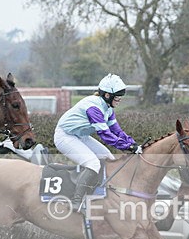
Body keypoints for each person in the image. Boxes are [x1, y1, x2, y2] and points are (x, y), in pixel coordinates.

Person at [53, 73, 140, 210]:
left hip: (80, 136)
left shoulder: (108, 108)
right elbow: (106, 135)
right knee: (93, 163)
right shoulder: (94, 108)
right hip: (65, 136)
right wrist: (128, 147)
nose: (120, 99)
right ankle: (77, 202)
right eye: (117, 96)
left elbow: (117, 131)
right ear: (107, 95)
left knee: (108, 158)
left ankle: (100, 194)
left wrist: (133, 144)